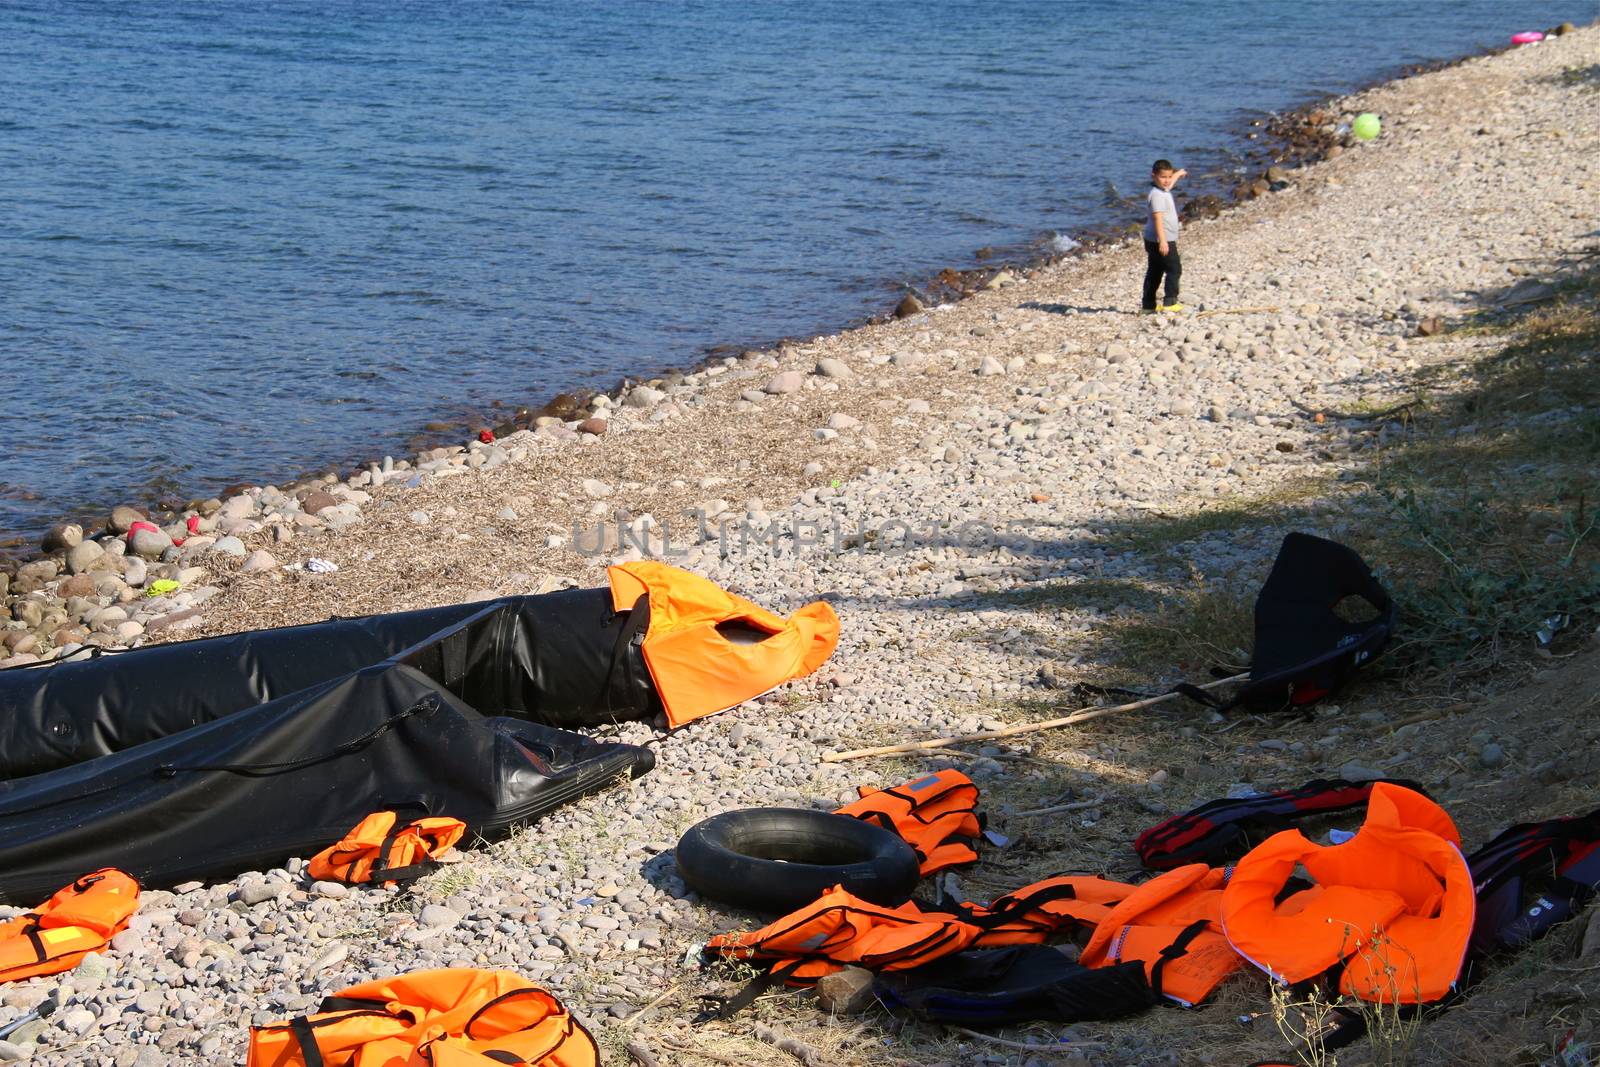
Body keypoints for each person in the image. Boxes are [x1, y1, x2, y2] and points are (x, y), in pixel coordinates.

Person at [1141, 159, 1187, 313]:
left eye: (1169, 177)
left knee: (1155, 271)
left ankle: (1148, 305)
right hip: (1162, 240)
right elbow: (1157, 219)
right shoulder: (1157, 196)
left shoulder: (1162, 189)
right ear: (1153, 176)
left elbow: (1169, 184)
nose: (1167, 181)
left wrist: (1178, 174)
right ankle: (1170, 301)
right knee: (1174, 269)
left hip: (1153, 239)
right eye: (1163, 177)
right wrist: (1163, 242)